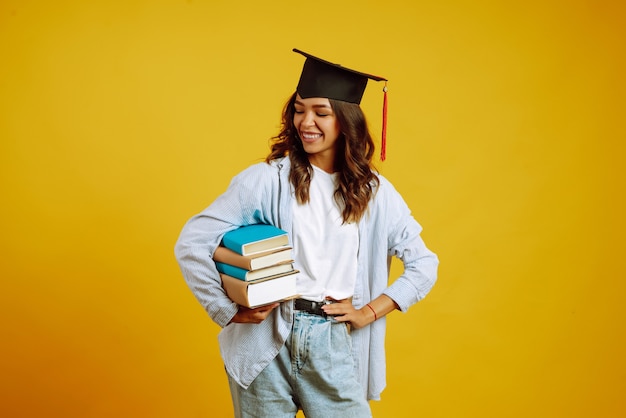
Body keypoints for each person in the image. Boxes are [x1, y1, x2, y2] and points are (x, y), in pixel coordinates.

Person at [175, 48, 439, 418]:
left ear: (345, 120)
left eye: (320, 112)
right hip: (266, 339)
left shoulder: (374, 192)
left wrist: (369, 312)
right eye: (299, 110)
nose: (306, 122)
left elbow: (424, 264)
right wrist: (225, 309)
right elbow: (193, 241)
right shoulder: (267, 180)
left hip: (332, 340)